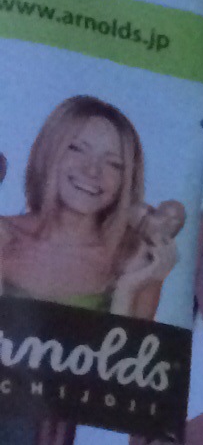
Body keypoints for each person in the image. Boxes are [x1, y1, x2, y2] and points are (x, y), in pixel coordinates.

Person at [0, 95, 181, 315]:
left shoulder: (137, 258)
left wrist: (128, 288)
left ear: (126, 180)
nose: (92, 170)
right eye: (77, 149)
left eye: (113, 163)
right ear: (48, 151)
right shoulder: (4, 235)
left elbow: (134, 338)